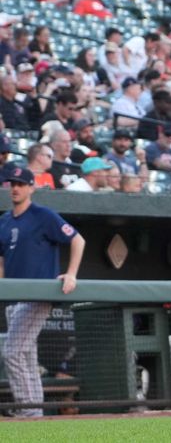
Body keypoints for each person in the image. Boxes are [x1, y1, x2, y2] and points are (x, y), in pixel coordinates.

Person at [0, 167, 85, 417]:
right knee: (25, 354)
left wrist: (71, 273)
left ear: (31, 188)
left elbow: (78, 240)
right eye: (12, 183)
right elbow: (2, 260)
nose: (15, 188)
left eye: (21, 183)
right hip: (14, 298)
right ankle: (34, 411)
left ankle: (29, 412)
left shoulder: (43, 215)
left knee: (13, 352)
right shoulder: (4, 220)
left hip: (38, 296)